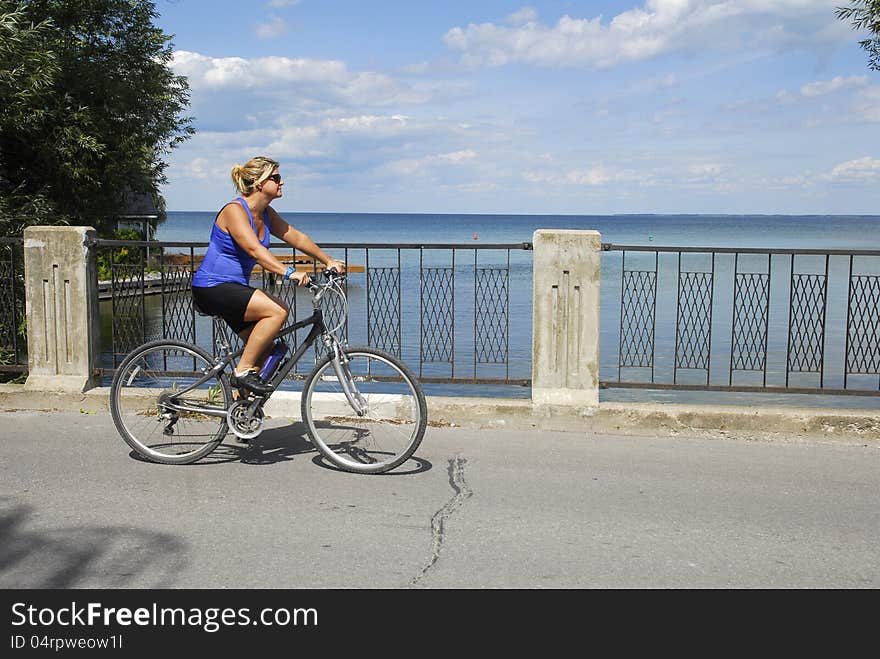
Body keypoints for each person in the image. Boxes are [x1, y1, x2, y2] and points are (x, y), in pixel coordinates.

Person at [191, 156, 345, 395]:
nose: (281, 182)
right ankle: (241, 373)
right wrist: (289, 272)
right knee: (278, 310)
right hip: (213, 287)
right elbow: (255, 249)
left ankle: (242, 412)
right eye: (276, 177)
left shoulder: (266, 214)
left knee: (267, 352)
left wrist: (328, 260)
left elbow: (296, 237)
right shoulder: (235, 211)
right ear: (259, 183)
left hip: (233, 288)